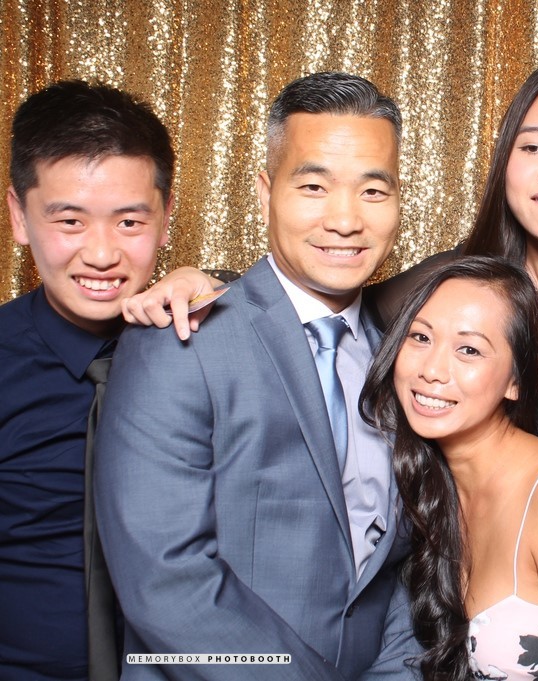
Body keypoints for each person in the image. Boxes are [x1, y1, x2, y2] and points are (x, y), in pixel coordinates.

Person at [122, 59, 538, 450]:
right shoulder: (453, 284)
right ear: (504, 164)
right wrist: (207, 283)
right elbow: (329, 304)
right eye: (530, 147)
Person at [93, 72, 419, 680]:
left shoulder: (405, 356)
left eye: (374, 191)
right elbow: (166, 581)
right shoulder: (179, 338)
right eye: (314, 186)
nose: (345, 219)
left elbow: (402, 563)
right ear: (266, 191)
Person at [360, 256, 538, 680]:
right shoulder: (422, 480)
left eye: (469, 350)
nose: (431, 370)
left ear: (516, 380)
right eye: (420, 337)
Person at [0, 80, 174, 681]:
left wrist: (223, 285)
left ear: (165, 217)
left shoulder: (208, 346)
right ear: (19, 217)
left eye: (129, 221)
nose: (101, 254)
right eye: (70, 220)